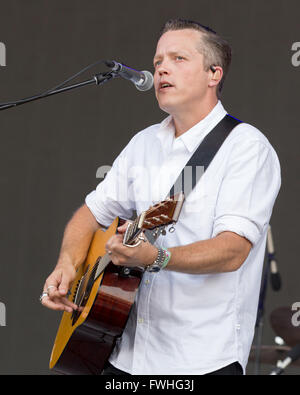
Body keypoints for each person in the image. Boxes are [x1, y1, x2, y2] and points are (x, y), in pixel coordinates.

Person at [41, 19, 281, 375]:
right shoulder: (144, 144)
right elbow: (90, 214)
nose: (161, 69)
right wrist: (67, 264)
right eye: (157, 62)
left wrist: (155, 257)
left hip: (200, 359)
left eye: (178, 58)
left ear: (214, 73)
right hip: (123, 353)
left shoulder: (246, 148)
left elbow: (233, 249)